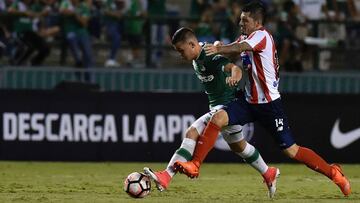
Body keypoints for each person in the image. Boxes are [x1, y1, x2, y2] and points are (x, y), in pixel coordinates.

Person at [174, 1, 351, 197]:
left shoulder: (262, 36)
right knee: (218, 118)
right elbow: (234, 52)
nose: (241, 24)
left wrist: (220, 48)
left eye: (245, 21)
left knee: (291, 151)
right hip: (249, 102)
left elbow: (239, 46)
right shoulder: (246, 36)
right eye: (241, 20)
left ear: (257, 23)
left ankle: (333, 172)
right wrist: (222, 51)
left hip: (269, 105)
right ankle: (195, 164)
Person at [144, 27, 280, 198]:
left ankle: (166, 176)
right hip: (219, 108)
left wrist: (234, 77)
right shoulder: (199, 52)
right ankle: (269, 173)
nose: (180, 54)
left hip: (226, 108)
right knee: (240, 147)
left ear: (192, 44)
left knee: (192, 131)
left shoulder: (209, 56)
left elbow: (234, 69)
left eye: (181, 50)